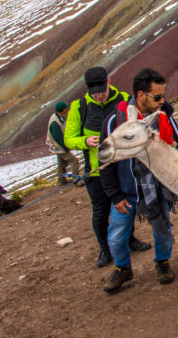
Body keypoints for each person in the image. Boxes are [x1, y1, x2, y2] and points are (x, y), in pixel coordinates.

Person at [99, 68, 178, 293]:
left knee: (162, 230)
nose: (162, 101)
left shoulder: (162, 117)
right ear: (141, 95)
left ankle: (162, 262)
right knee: (117, 236)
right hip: (127, 191)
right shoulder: (115, 121)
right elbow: (105, 162)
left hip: (157, 188)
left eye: (163, 96)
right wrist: (115, 195)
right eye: (157, 97)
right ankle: (123, 268)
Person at [64, 67, 150, 268]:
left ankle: (130, 240)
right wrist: (85, 141)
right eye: (95, 93)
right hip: (96, 169)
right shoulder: (79, 107)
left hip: (123, 166)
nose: (100, 96)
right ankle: (105, 249)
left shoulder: (122, 98)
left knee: (125, 205)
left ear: (108, 81)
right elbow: (69, 138)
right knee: (101, 211)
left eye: (102, 91)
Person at [46, 101, 81, 186]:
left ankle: (61, 180)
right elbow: (58, 138)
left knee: (61, 164)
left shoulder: (57, 118)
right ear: (63, 110)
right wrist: (66, 147)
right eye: (65, 108)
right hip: (59, 147)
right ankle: (76, 180)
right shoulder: (55, 123)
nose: (66, 109)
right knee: (74, 160)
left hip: (57, 146)